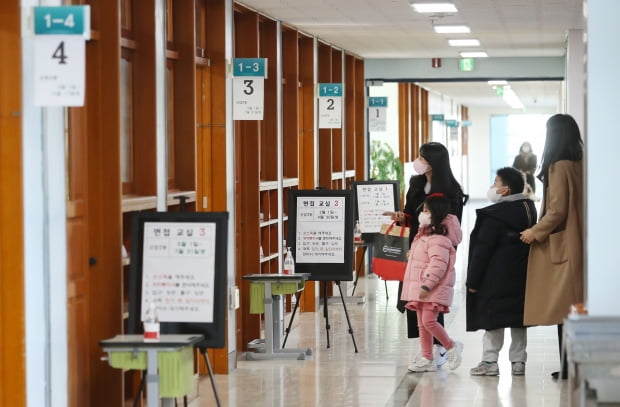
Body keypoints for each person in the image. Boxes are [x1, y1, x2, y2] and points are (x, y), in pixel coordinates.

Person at [390, 142, 467, 371]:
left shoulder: (452, 190)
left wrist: (436, 247)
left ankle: (439, 348)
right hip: (415, 246)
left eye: (422, 158)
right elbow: (410, 214)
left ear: (434, 162)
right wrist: (401, 217)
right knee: (414, 298)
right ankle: (425, 351)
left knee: (431, 297)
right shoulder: (416, 183)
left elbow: (452, 226)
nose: (418, 161)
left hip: (436, 248)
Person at [519, 113, 584, 380]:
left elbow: (556, 211)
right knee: (576, 309)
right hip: (580, 242)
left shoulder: (558, 166)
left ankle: (569, 367)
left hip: (563, 245)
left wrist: (534, 232)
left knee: (563, 310)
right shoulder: (581, 163)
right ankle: (575, 365)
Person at [466, 167, 537, 376]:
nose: (492, 187)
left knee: (493, 320)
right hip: (522, 275)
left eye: (495, 183)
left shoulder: (493, 216)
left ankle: (489, 362)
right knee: (518, 319)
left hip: (494, 279)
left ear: (505, 190)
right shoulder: (528, 209)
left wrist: (473, 281)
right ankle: (518, 362)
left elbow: (482, 251)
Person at [401, 193, 463, 372]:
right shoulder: (424, 235)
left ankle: (451, 346)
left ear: (436, 213)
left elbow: (438, 265)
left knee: (429, 321)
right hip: (422, 287)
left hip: (431, 288)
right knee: (422, 324)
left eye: (427, 210)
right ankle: (426, 356)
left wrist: (427, 285)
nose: (423, 213)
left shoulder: (438, 239)